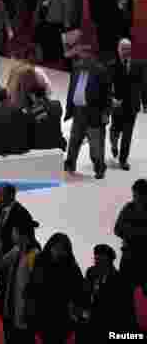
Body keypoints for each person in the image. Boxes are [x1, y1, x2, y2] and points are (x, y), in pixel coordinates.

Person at [0, 184, 35, 315]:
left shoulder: (21, 214)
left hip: (13, 268)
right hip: (1, 267)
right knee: (2, 303)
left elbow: (25, 243)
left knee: (7, 304)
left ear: (10, 196)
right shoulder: (3, 210)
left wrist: (7, 260)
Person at [27, 233, 84, 344]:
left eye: (62, 248)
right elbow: (33, 286)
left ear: (67, 250)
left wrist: (74, 314)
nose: (58, 251)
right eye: (56, 247)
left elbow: (79, 290)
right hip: (42, 314)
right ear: (50, 246)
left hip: (61, 316)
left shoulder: (71, 266)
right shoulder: (40, 261)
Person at [64, 45, 111, 179]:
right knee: (74, 141)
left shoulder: (101, 70)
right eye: (81, 53)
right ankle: (70, 164)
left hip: (95, 114)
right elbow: (71, 89)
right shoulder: (77, 67)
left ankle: (99, 168)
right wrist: (69, 109)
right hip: (78, 112)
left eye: (85, 53)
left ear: (91, 55)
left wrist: (106, 113)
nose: (82, 56)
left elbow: (107, 95)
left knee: (96, 146)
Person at [0, 214, 40, 344]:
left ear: (22, 234)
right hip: (11, 307)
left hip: (23, 311)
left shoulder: (33, 255)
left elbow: (36, 286)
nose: (12, 234)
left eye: (14, 231)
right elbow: (0, 264)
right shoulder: (17, 250)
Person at [79, 244, 138, 344]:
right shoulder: (91, 273)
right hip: (90, 324)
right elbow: (85, 294)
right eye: (96, 259)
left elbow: (123, 309)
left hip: (109, 325)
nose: (97, 262)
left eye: (101, 259)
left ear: (110, 260)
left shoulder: (119, 280)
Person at [110, 38, 145, 171]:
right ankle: (114, 145)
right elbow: (106, 85)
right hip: (117, 104)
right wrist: (111, 99)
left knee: (127, 134)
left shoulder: (138, 65)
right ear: (118, 49)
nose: (126, 51)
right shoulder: (112, 65)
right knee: (115, 130)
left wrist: (144, 102)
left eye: (128, 48)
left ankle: (123, 160)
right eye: (123, 48)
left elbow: (143, 84)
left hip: (132, 105)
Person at [114, 179, 147, 291]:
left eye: (138, 195)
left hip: (143, 258)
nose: (135, 198)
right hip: (128, 257)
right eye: (134, 195)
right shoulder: (128, 208)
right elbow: (117, 229)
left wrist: (130, 231)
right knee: (125, 290)